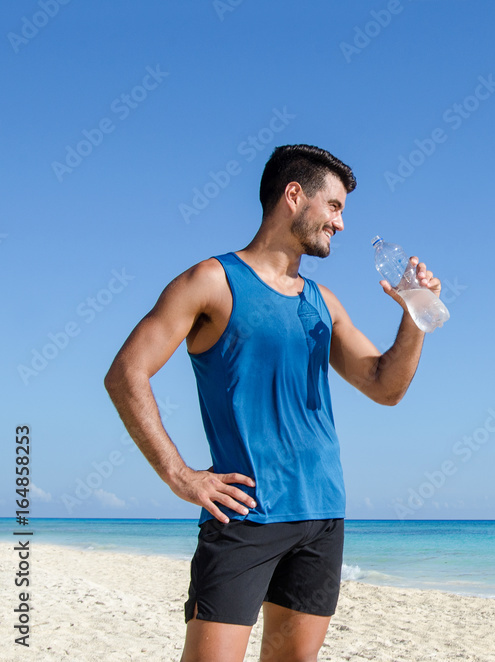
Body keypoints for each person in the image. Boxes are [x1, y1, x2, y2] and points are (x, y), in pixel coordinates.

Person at [104, 144, 442, 662]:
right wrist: (180, 474)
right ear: (293, 196)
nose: (341, 224)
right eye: (334, 206)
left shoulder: (322, 302)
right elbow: (126, 372)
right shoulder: (212, 282)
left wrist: (414, 315)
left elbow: (384, 387)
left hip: (322, 514)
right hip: (245, 516)